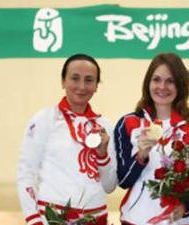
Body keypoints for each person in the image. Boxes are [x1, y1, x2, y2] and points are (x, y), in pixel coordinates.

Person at [113, 53, 189, 225]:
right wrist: (141, 156)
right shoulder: (129, 123)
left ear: (181, 85)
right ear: (148, 83)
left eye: (170, 81)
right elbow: (123, 181)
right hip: (135, 220)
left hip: (179, 221)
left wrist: (185, 206)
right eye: (156, 79)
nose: (162, 87)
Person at [17, 54, 117, 225]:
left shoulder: (104, 126)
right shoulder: (44, 119)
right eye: (75, 78)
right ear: (63, 81)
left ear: (96, 86)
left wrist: (102, 155)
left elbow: (109, 186)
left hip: (96, 218)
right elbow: (25, 173)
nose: (81, 86)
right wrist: (34, 220)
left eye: (89, 80)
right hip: (52, 218)